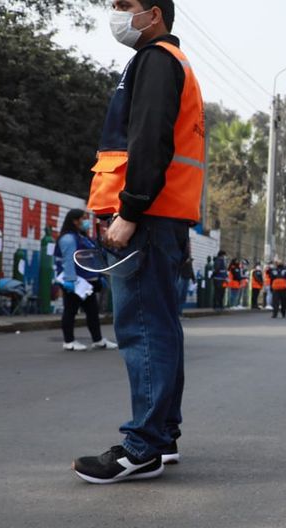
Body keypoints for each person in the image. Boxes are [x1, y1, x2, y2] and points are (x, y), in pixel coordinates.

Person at [75, 0, 204, 484]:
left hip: (145, 219)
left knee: (143, 329)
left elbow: (149, 139)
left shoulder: (155, 61)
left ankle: (142, 446)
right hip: (163, 219)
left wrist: (129, 211)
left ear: (154, 14)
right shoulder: (175, 63)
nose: (116, 12)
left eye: (124, 5)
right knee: (163, 328)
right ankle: (162, 437)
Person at [54, 209, 118, 351]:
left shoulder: (83, 237)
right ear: (74, 221)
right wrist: (69, 280)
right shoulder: (69, 238)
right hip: (75, 282)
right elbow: (69, 261)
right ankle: (69, 341)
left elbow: (93, 258)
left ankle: (98, 340)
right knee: (70, 311)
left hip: (87, 282)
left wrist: (100, 276)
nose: (86, 221)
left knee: (92, 311)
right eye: (83, 218)